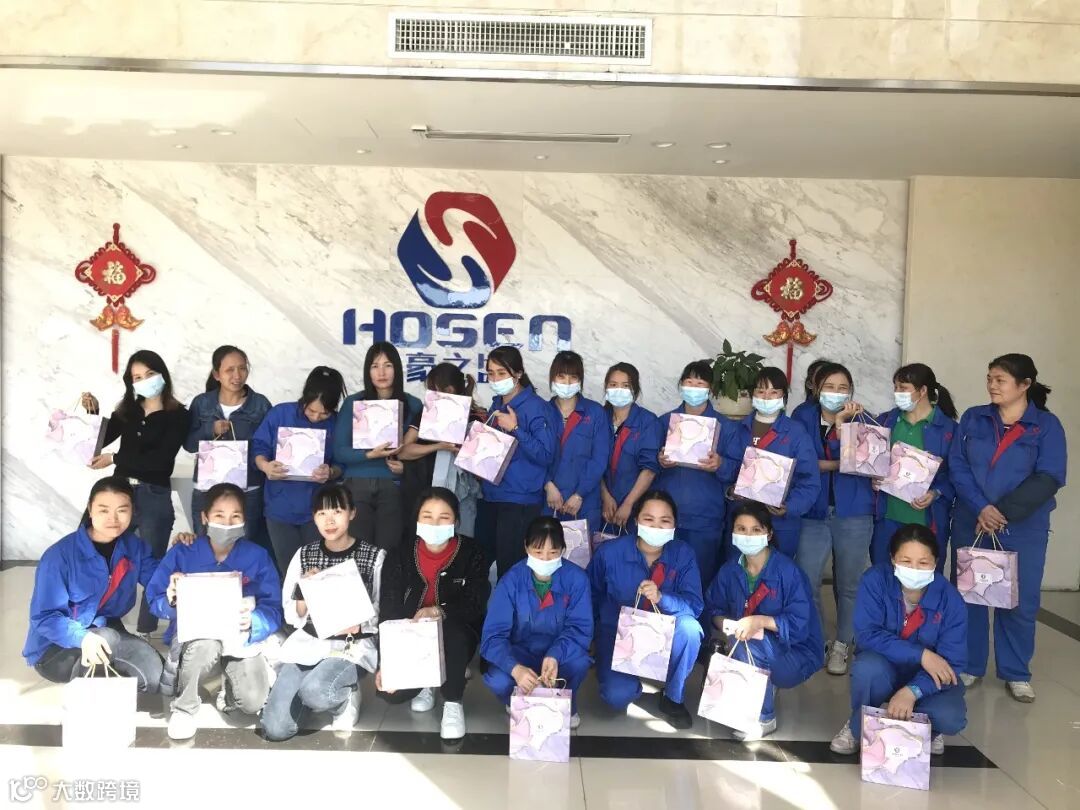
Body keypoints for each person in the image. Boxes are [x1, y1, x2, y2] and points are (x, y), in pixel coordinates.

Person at [948, 353, 1067, 703]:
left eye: (1000, 379)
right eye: (989, 378)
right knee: (969, 595)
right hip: (973, 520)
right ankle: (970, 665)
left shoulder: (1046, 425)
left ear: (1025, 384)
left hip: (1022, 527)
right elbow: (957, 465)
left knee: (1018, 600)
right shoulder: (974, 418)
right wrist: (981, 507)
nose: (992, 385)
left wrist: (1001, 512)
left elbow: (1049, 477)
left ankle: (1016, 672)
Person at [146, 483, 283, 741]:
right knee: (205, 646)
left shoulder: (257, 557)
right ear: (204, 517)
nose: (227, 523)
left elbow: (274, 608)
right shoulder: (183, 552)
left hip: (240, 637)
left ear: (244, 520)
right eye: (219, 515)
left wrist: (254, 620)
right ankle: (185, 708)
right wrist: (172, 601)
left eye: (235, 516)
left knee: (252, 702)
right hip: (198, 637)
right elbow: (154, 599)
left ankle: (227, 693)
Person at [262, 483, 386, 741]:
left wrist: (359, 624)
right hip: (308, 642)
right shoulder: (304, 555)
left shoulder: (374, 556)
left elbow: (381, 609)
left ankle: (344, 699)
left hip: (350, 646)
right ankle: (309, 696)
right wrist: (304, 591)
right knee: (276, 729)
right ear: (314, 517)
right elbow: (292, 615)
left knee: (316, 691)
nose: (329, 521)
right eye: (322, 513)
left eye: (337, 512)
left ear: (352, 513)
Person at [830, 524, 967, 757]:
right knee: (866, 669)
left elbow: (952, 662)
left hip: (925, 676)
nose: (914, 569)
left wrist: (913, 690)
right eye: (906, 561)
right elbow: (867, 634)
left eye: (923, 562)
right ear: (893, 559)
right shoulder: (875, 580)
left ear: (935, 563)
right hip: (884, 667)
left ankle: (928, 730)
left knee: (951, 716)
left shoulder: (950, 599)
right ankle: (858, 725)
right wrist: (921, 654)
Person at [80, 350, 190, 637]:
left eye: (149, 374)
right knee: (95, 550)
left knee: (152, 563)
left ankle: (146, 629)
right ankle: (91, 619)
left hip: (154, 495)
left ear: (162, 375)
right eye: (137, 377)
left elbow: (161, 462)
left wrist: (115, 459)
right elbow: (100, 440)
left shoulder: (179, 415)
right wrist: (93, 413)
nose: (144, 381)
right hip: (119, 492)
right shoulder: (128, 410)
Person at [23, 477, 163, 692]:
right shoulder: (59, 556)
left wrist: (184, 552)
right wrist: (83, 638)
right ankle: (95, 697)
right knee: (106, 639)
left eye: (122, 510)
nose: (113, 518)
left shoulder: (134, 547)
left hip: (106, 628)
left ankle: (112, 676)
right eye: (103, 510)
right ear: (90, 509)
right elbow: (44, 617)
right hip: (55, 648)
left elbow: (159, 581)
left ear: (132, 511)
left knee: (154, 674)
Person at [376, 488, 490, 740]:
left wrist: (439, 610)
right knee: (391, 693)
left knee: (452, 634)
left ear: (456, 521)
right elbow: (389, 608)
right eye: (427, 517)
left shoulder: (473, 552)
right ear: (417, 519)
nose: (435, 524)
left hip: (457, 630)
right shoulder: (399, 554)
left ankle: (452, 701)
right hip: (412, 633)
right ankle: (427, 682)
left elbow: (475, 603)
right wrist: (388, 662)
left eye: (443, 517)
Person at [704, 502, 823, 740]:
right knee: (738, 641)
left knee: (752, 640)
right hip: (751, 644)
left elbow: (799, 625)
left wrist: (759, 621)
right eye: (741, 529)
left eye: (756, 530)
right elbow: (713, 608)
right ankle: (759, 686)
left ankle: (764, 717)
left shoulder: (788, 572)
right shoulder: (730, 570)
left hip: (797, 652)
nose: (748, 536)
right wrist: (726, 624)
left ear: (768, 534)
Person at [587, 490, 704, 730]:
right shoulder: (609, 553)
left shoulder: (683, 554)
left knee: (690, 629)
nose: (656, 527)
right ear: (636, 521)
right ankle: (630, 681)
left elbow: (694, 604)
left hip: (664, 633)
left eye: (665, 521)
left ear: (675, 525)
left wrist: (662, 598)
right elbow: (591, 596)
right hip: (618, 635)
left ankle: (673, 697)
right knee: (617, 696)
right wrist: (592, 639)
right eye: (649, 519)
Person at [791, 362, 874, 676]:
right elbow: (804, 463)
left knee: (849, 584)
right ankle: (818, 641)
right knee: (808, 580)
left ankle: (842, 644)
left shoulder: (863, 420)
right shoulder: (802, 416)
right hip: (813, 512)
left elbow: (863, 463)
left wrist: (840, 426)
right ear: (815, 388)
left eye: (843, 388)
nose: (836, 393)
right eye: (829, 387)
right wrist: (841, 463)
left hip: (854, 513)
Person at [481, 516, 593, 728]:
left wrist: (555, 654)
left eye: (553, 552)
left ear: (563, 550)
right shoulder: (511, 580)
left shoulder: (577, 579)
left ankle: (565, 702)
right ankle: (516, 700)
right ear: (526, 547)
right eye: (538, 552)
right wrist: (515, 668)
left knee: (579, 662)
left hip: (559, 655)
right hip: (520, 654)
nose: (545, 559)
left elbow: (580, 629)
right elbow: (493, 636)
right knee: (497, 678)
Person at [252, 366, 345, 573]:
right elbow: (258, 447)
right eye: (311, 411)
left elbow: (343, 462)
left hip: (318, 510)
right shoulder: (280, 414)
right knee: (289, 571)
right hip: (280, 508)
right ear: (304, 397)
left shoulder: (337, 423)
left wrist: (331, 472)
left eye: (324, 414)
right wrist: (265, 466)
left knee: (317, 571)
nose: (316, 417)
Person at [474, 346, 557, 577]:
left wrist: (516, 429)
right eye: (491, 373)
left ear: (518, 373)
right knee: (479, 566)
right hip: (491, 496)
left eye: (502, 373)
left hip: (519, 501)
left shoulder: (536, 407)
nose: (495, 379)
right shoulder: (496, 404)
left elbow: (546, 454)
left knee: (510, 570)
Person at [334, 342, 423, 552]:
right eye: (375, 366)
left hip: (393, 486)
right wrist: (369, 454)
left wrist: (406, 468)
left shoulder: (413, 404)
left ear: (397, 369)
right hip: (357, 484)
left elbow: (422, 456)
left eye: (388, 365)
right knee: (359, 551)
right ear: (368, 371)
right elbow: (339, 451)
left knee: (389, 551)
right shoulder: (353, 403)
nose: (381, 372)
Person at [184, 345, 273, 556]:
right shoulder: (202, 403)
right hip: (207, 489)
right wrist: (210, 429)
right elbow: (188, 444)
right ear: (216, 374)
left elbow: (268, 446)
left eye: (242, 368)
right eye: (229, 370)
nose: (237, 375)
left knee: (243, 550)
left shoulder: (260, 404)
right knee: (204, 548)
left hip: (248, 489)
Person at [723, 367, 820, 559]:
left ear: (783, 396)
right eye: (761, 391)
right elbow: (728, 469)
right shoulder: (738, 429)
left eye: (774, 392)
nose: (766, 397)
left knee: (778, 572)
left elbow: (809, 481)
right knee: (738, 570)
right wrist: (730, 491)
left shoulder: (796, 433)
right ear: (752, 394)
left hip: (780, 524)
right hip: (742, 519)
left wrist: (789, 507)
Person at [871, 363, 959, 569]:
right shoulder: (886, 421)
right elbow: (870, 460)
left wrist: (936, 493)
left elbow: (957, 474)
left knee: (924, 576)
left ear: (923, 390)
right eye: (895, 387)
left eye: (903, 388)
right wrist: (873, 476)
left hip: (927, 519)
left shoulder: (949, 429)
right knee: (884, 573)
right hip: (887, 516)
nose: (897, 393)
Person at [656, 360, 732, 591]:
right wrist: (660, 461)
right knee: (663, 581)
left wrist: (721, 464)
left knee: (700, 581)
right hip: (665, 517)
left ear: (710, 389)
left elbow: (740, 471)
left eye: (700, 384)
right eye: (689, 382)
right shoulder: (664, 422)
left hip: (705, 520)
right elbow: (646, 464)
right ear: (680, 386)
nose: (694, 388)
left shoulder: (726, 426)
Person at [396, 363, 483, 543]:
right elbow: (403, 451)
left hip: (462, 495)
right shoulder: (426, 414)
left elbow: (482, 467)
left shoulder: (475, 417)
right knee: (423, 543)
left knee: (461, 544)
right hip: (425, 491)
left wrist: (462, 451)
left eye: (436, 390)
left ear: (450, 389)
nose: (433, 395)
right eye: (431, 390)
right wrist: (438, 446)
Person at [543, 351, 611, 536]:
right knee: (547, 550)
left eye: (573, 377)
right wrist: (548, 485)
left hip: (584, 503)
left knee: (582, 552)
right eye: (561, 376)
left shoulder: (595, 413)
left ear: (580, 380)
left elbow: (599, 459)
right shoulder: (542, 411)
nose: (567, 383)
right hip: (549, 501)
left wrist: (579, 494)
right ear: (552, 378)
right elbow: (534, 454)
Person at [600, 362, 660, 536]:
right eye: (613, 384)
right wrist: (605, 496)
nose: (619, 390)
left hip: (635, 507)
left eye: (625, 385)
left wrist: (628, 504)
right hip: (601, 505)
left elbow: (649, 469)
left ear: (635, 389)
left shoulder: (648, 422)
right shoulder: (599, 417)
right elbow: (592, 461)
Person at [790, 358, 833, 422]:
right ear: (810, 384)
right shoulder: (802, 413)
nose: (827, 383)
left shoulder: (846, 412)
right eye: (821, 378)